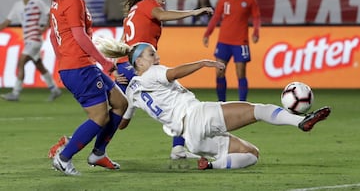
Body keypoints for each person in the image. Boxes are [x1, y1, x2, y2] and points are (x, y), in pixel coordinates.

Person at [99, 41, 331, 170]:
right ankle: (301, 121)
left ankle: (211, 166)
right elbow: (173, 73)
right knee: (258, 110)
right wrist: (202, 62)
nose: (157, 58)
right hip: (198, 115)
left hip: (192, 140)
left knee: (252, 153)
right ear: (139, 62)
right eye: (152, 54)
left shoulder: (131, 92)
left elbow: (122, 125)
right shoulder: (152, 72)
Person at [42, 0, 128, 176]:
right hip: (80, 67)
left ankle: (98, 153)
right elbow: (80, 36)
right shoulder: (73, 0)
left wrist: (63, 58)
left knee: (120, 103)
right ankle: (63, 157)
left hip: (78, 65)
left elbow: (54, 35)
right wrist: (106, 63)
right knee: (100, 117)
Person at [117, 0, 214, 160]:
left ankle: (88, 147)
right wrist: (193, 13)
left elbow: (123, 42)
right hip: (141, 67)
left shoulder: (134, 10)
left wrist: (114, 68)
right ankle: (178, 148)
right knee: (181, 98)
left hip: (127, 66)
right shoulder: (148, 5)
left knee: (118, 119)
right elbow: (161, 15)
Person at [203, 0, 261, 102]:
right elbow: (216, 16)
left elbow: (256, 17)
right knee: (219, 72)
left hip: (241, 42)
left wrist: (256, 32)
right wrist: (208, 33)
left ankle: (242, 103)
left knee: (240, 73)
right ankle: (221, 103)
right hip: (224, 41)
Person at [0, 0, 62, 102]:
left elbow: (50, 14)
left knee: (21, 62)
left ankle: (15, 93)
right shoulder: (17, 6)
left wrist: (45, 28)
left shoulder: (37, 2)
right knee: (40, 66)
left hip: (35, 39)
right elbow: (7, 22)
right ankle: (55, 90)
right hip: (28, 40)